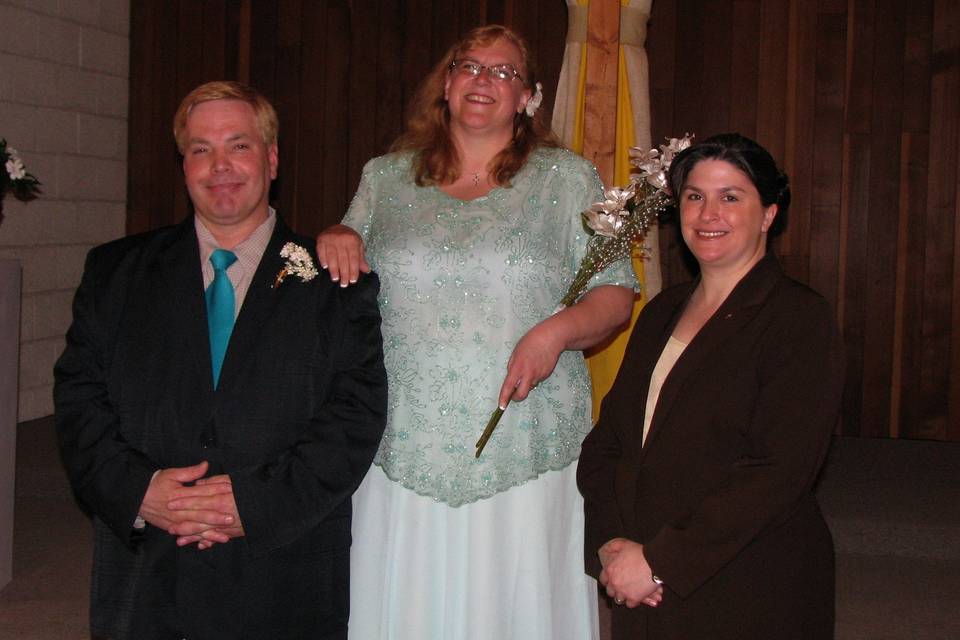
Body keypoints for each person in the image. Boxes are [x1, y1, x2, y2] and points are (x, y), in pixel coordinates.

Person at [316, 25, 636, 640]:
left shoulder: (569, 180)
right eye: (469, 66)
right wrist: (340, 232)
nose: (483, 80)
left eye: (504, 72)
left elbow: (616, 293)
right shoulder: (384, 178)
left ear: (529, 98)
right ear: (446, 83)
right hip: (404, 430)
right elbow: (347, 262)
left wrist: (555, 333)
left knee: (513, 598)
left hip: (522, 425)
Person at [53, 80, 387, 640]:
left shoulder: (336, 285)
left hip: (282, 571)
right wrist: (140, 492)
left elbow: (353, 417)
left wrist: (253, 505)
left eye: (239, 145)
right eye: (200, 149)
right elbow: (79, 400)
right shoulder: (115, 272)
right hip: (147, 571)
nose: (220, 166)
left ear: (272, 158)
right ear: (183, 164)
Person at [577, 133, 845, 639]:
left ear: (768, 213)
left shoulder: (798, 319)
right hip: (639, 567)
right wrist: (612, 543)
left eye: (730, 196)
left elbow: (778, 472)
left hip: (745, 577)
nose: (708, 213)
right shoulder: (659, 312)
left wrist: (662, 561)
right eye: (695, 196)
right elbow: (609, 440)